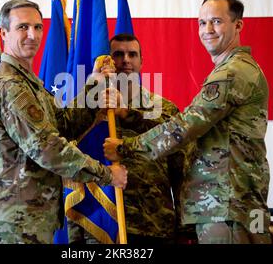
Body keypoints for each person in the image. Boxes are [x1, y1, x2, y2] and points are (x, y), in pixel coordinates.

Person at [104, 0, 271, 244]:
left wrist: (126, 148)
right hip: (230, 204)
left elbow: (185, 127)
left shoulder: (232, 73)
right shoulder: (234, 69)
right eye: (202, 23)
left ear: (238, 25)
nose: (207, 30)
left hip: (227, 205)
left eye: (216, 21)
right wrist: (129, 117)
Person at [0, 0, 127, 244]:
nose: (32, 34)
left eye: (38, 27)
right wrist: (105, 174)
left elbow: (62, 125)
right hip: (16, 222)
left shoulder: (28, 82)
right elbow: (47, 148)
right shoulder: (11, 86)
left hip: (31, 218)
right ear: (2, 32)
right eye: (23, 27)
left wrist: (94, 86)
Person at [68, 33, 194, 244]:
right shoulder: (90, 110)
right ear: (107, 61)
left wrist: (186, 227)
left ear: (141, 61)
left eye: (132, 54)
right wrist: (75, 233)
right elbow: (73, 168)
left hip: (154, 223)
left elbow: (181, 169)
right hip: (101, 224)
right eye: (118, 54)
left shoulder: (163, 108)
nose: (126, 59)